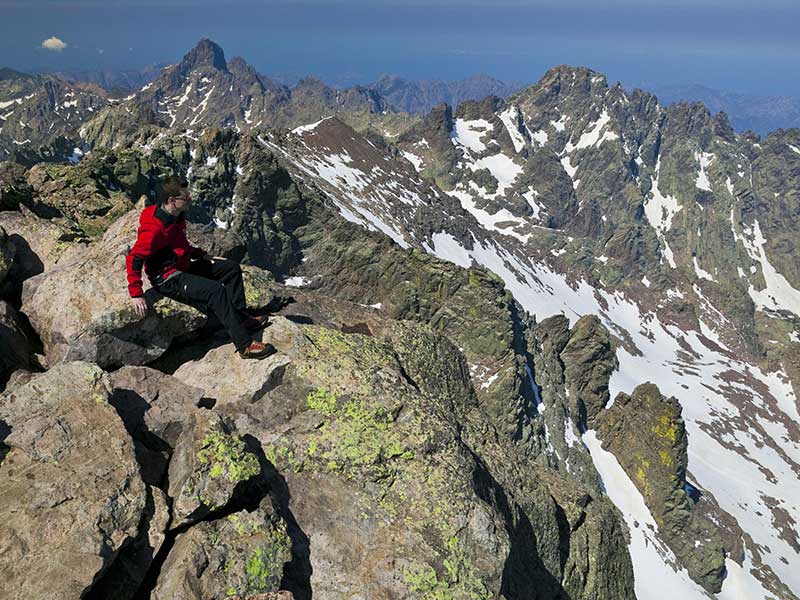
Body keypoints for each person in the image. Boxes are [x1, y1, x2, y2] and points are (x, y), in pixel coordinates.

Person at [125, 175, 275, 359]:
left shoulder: (176, 216)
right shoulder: (154, 229)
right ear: (172, 201)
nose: (190, 199)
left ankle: (240, 319)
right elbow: (134, 258)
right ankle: (245, 346)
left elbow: (178, 244)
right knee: (216, 292)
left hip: (182, 266)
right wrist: (136, 293)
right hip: (167, 278)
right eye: (186, 197)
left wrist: (201, 255)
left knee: (230, 268)